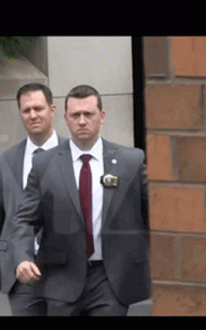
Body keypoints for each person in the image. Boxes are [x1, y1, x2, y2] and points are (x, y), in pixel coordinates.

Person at [12, 85, 150, 316]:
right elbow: (25, 219)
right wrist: (22, 258)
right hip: (61, 277)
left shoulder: (130, 161)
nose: (82, 121)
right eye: (75, 115)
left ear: (102, 117)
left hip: (111, 278)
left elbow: (156, 212)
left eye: (89, 114)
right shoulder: (45, 164)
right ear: (65, 119)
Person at [0, 83, 67, 315]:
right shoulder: (7, 160)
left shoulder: (72, 154)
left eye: (38, 108)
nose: (33, 115)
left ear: (52, 110)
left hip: (64, 271)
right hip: (20, 272)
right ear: (20, 114)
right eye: (26, 110)